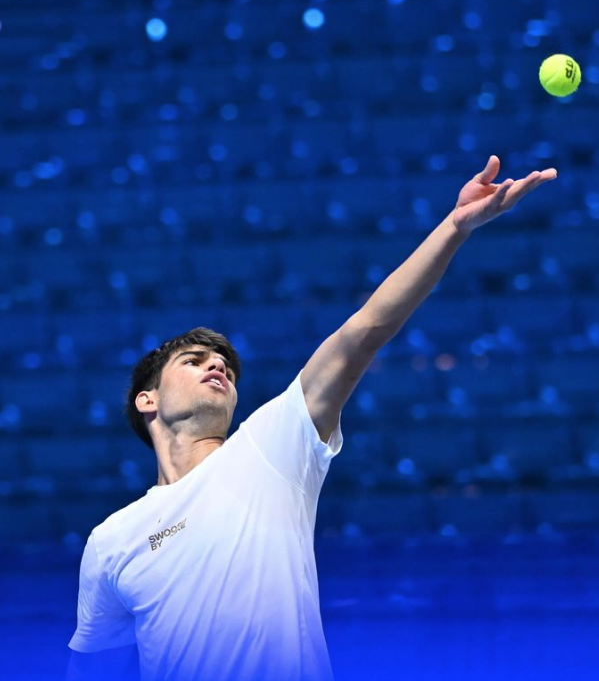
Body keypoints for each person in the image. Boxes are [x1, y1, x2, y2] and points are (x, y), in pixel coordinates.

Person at [66, 156, 557, 681]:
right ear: (147, 400)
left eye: (225, 366)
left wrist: (453, 228)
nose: (217, 366)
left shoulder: (270, 447)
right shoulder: (112, 540)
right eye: (194, 361)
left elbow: (363, 331)